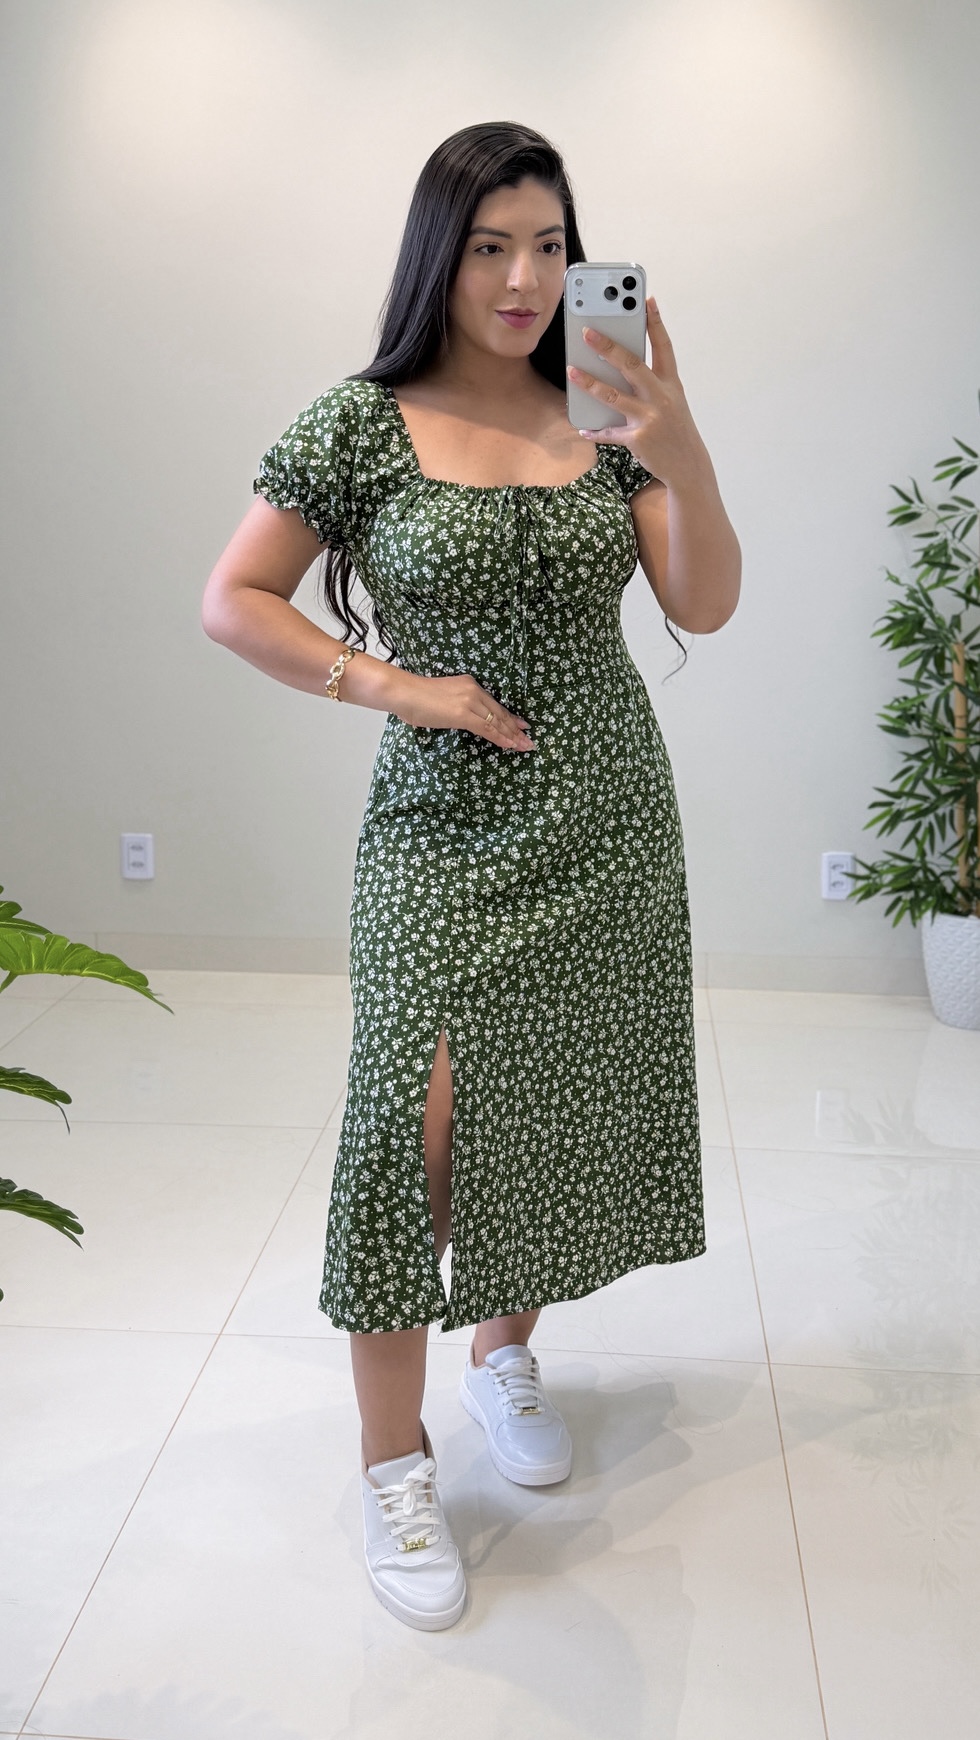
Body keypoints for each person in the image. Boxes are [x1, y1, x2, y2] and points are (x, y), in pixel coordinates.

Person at [201, 120, 741, 1633]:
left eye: (551, 247)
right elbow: (235, 598)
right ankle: (395, 1464)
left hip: (604, 818)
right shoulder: (360, 423)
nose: (525, 278)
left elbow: (705, 598)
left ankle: (507, 1355)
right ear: (440, 254)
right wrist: (397, 686)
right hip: (438, 826)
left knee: (544, 1100)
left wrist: (679, 436)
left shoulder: (605, 410)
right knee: (409, 1128)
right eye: (493, 245)